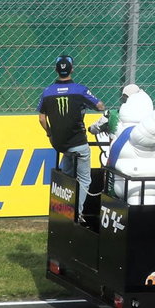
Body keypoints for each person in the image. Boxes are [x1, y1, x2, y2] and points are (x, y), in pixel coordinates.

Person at [36, 55, 103, 219]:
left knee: (65, 175)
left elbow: (41, 118)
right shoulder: (80, 90)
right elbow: (100, 106)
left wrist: (49, 133)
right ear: (72, 69)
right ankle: (75, 214)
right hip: (78, 142)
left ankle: (61, 209)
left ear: (56, 70)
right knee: (85, 180)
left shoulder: (47, 91)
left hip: (59, 143)